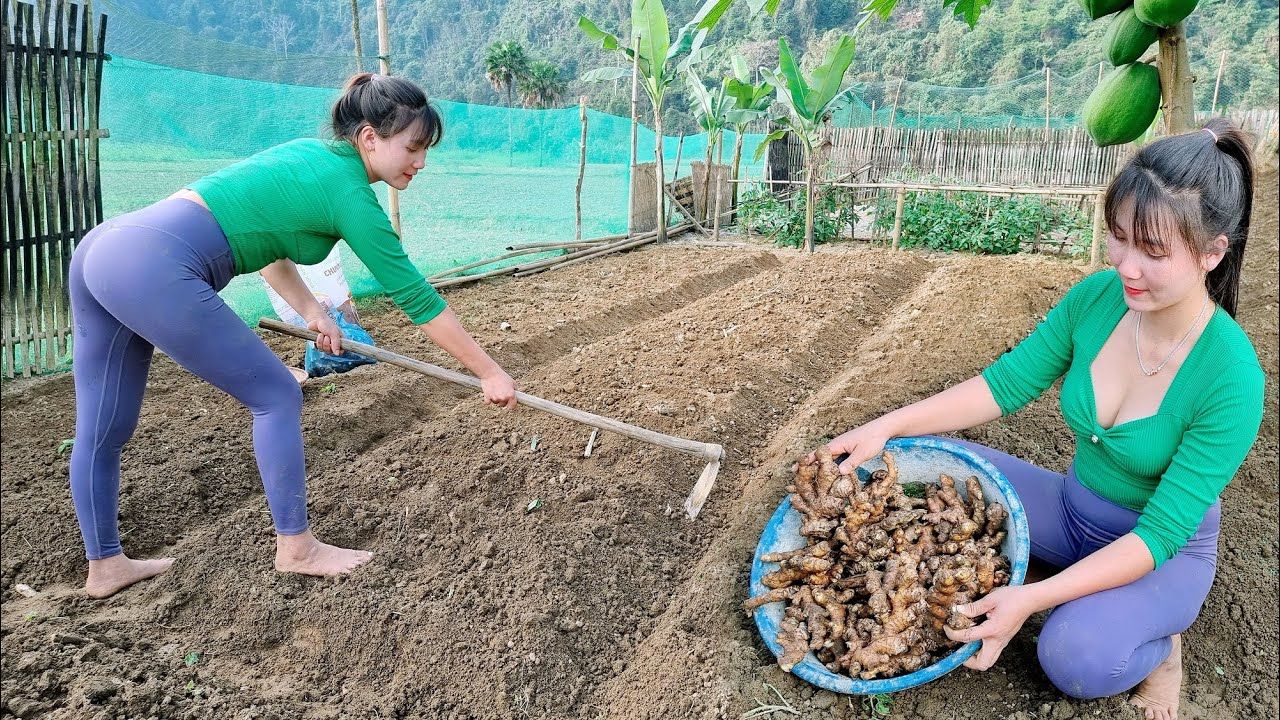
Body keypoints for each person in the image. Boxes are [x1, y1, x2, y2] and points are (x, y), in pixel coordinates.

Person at [823, 119, 1263, 720]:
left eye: (1153, 252)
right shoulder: (1097, 300)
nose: (1126, 266)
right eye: (1119, 238)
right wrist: (888, 426)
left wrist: (1027, 599)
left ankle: (1163, 650)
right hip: (1071, 508)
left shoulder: (1232, 378)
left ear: (1213, 252)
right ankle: (1064, 575)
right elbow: (1003, 385)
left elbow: (1159, 534)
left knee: (1072, 656)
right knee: (918, 464)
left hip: (1158, 554)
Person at [68, 72, 518, 599]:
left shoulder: (312, 156)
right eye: (413, 148)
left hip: (106, 249)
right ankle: (297, 547)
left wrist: (313, 311)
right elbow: (416, 297)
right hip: (154, 266)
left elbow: (268, 242)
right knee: (276, 395)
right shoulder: (349, 191)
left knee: (102, 427)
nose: (420, 162)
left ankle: (105, 565)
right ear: (370, 137)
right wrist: (488, 371)